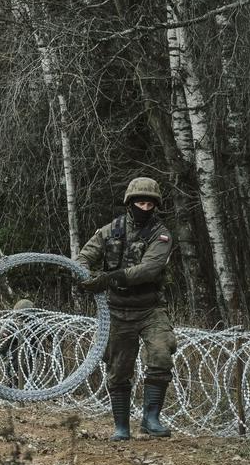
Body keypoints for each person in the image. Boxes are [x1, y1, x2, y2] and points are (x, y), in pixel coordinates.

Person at [75, 177, 175, 441]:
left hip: (150, 308)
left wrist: (111, 277)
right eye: (140, 202)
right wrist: (87, 278)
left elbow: (151, 268)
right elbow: (83, 258)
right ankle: (121, 426)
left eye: (150, 203)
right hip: (117, 310)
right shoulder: (109, 231)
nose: (145, 207)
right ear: (130, 203)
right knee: (118, 369)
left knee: (162, 353)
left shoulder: (160, 234)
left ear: (156, 206)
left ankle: (151, 418)